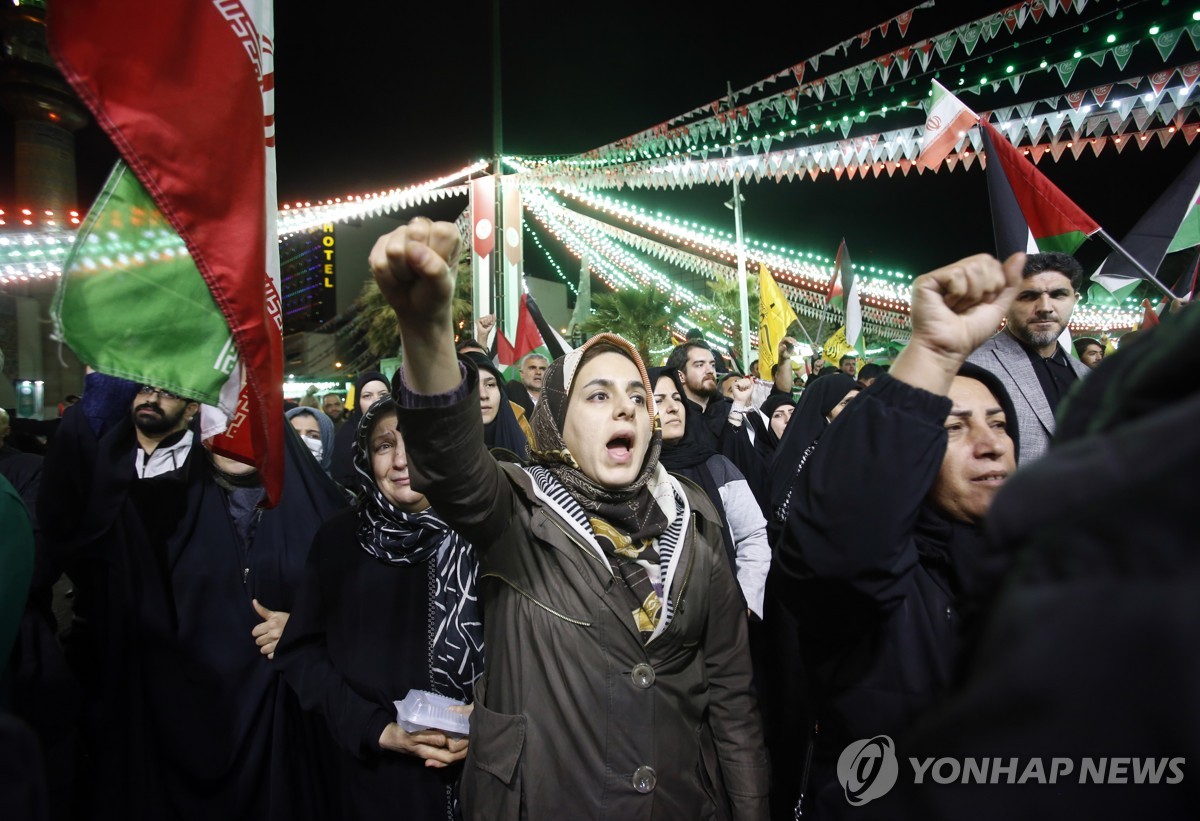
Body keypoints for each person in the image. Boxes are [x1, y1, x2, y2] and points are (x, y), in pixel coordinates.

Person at [368, 216, 769, 821]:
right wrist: (425, 330)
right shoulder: (516, 510)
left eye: (638, 396)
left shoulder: (697, 522)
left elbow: (734, 705)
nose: (627, 409)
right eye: (599, 395)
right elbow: (448, 465)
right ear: (557, 419)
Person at [770, 252, 1025, 818]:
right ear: (912, 456)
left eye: (1000, 424)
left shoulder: (1056, 569)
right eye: (954, 429)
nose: (990, 444)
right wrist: (930, 354)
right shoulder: (875, 589)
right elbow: (840, 539)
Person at [38, 372, 347, 821]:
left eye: (246, 421)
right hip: (183, 730)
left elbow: (369, 615)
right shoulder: (160, 508)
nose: (233, 433)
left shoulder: (326, 516)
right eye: (221, 420)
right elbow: (74, 516)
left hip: (289, 734)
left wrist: (307, 627)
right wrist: (106, 388)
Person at [275, 396, 482, 820]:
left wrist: (490, 720)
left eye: (417, 441)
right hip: (375, 782)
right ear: (366, 459)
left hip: (482, 774)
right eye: (384, 446)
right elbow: (302, 654)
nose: (402, 460)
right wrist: (378, 731)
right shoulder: (337, 540)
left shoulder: (483, 532)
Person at [650, 367, 770, 619]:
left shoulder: (715, 465)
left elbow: (752, 534)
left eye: (677, 398)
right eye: (658, 400)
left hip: (724, 615)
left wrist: (745, 600)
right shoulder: (629, 474)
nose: (673, 408)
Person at [966, 251, 1091, 464]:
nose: (1044, 308)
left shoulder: (1088, 376)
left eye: (1058, 294)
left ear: (1074, 300)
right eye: (1028, 296)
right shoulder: (971, 367)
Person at [461, 351, 532, 454]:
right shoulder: (436, 456)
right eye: (472, 385)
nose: (483, 395)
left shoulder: (524, 447)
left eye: (490, 385)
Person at [330, 371, 390, 490]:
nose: (376, 401)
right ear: (358, 401)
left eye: (383, 395)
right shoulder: (345, 437)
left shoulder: (402, 429)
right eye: (367, 396)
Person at [286, 405, 337, 479]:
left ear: (327, 443)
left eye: (313, 436)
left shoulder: (334, 490)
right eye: (294, 434)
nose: (302, 441)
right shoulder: (266, 489)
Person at [504, 353, 548, 418]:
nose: (538, 372)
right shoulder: (511, 395)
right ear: (522, 374)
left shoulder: (558, 400)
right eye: (532, 368)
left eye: (542, 369)